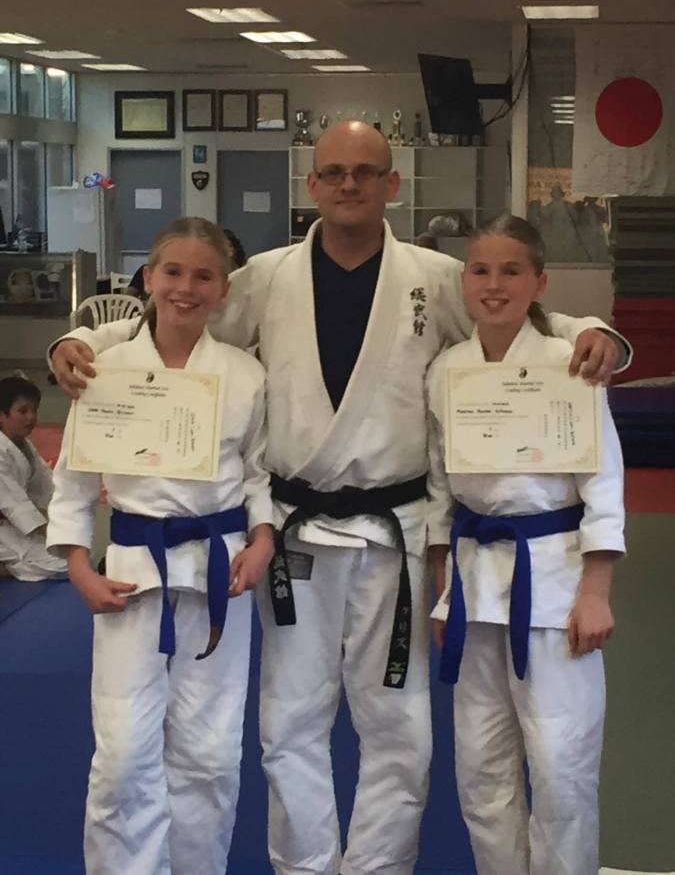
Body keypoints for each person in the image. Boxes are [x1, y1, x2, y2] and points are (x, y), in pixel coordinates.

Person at [49, 122, 629, 875]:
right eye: (333, 172)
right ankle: (306, 866)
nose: (348, 184)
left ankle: (377, 867)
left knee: (399, 725)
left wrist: (600, 331)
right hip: (294, 532)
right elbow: (176, 321)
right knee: (290, 720)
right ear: (312, 184)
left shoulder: (435, 277)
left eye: (364, 171)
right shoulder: (264, 277)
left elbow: (518, 316)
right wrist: (85, 345)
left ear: (391, 183)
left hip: (398, 534)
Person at [46, 217, 275, 875]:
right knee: (123, 753)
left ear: (224, 289)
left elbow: (258, 473)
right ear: (148, 278)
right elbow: (74, 480)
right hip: (130, 573)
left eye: (204, 276)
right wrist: (78, 566)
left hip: (220, 571)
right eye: (173, 271)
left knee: (210, 753)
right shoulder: (104, 370)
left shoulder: (245, 375)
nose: (186, 287)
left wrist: (262, 538)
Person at [426, 215, 625, 875]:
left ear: (539, 283)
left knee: (561, 766)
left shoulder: (569, 361)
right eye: (480, 270)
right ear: (463, 281)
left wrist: (596, 591)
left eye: (511, 271)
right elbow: (439, 489)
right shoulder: (445, 370)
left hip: (555, 583)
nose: (493, 284)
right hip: (474, 587)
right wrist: (442, 591)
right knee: (481, 769)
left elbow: (602, 483)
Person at [0, 375, 68, 581]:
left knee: (76, 554)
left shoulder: (24, 444)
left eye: (34, 411)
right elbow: (14, 504)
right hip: (8, 523)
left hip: (12, 526)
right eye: (23, 411)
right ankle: (5, 569)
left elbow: (47, 486)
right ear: (1, 415)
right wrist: (50, 532)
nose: (31, 417)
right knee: (65, 564)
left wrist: (67, 521)